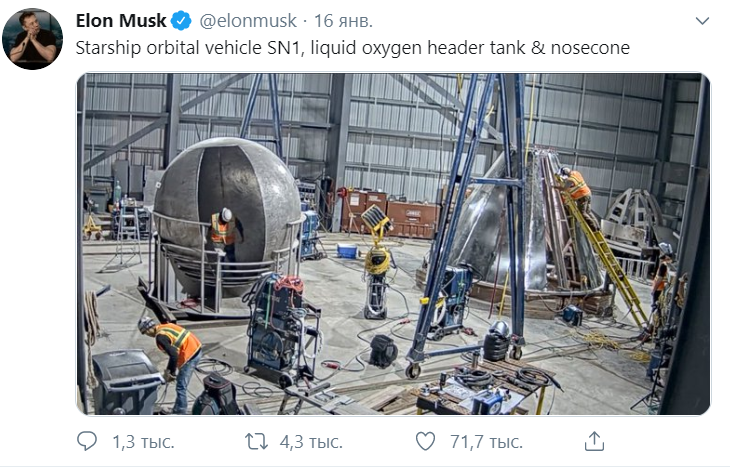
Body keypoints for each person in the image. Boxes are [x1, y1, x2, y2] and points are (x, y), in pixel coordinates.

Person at [138, 316, 202, 415]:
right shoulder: (165, 326)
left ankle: (180, 412)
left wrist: (170, 372)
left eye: (145, 332)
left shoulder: (160, 337)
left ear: (148, 329)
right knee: (180, 383)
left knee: (181, 387)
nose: (147, 335)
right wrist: (172, 370)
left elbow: (174, 355)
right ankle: (177, 409)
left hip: (190, 355)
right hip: (196, 347)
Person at [555, 166, 601, 232]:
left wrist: (555, 187)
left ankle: (594, 228)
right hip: (588, 193)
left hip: (582, 197)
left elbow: (564, 189)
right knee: (588, 212)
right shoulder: (576, 173)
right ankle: (598, 227)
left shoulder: (570, 180)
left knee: (583, 213)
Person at [651, 242, 674, 308]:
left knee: (655, 307)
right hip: (663, 289)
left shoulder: (663, 265)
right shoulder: (670, 263)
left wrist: (653, 290)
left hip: (659, 289)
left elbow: (659, 279)